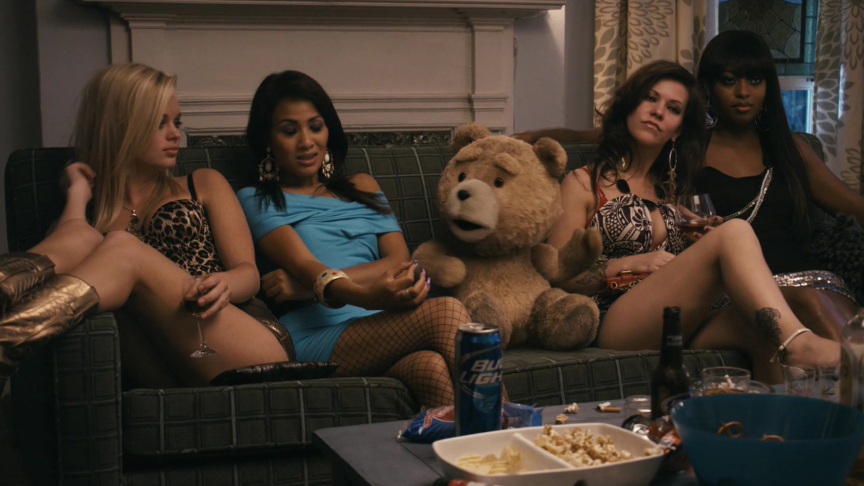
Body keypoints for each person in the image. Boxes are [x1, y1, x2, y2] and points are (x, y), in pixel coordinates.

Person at [0, 63, 292, 390]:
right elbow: (66, 243)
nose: (175, 134)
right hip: (163, 365)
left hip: (243, 341)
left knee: (119, 245)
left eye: (176, 122)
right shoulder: (89, 219)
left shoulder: (202, 182)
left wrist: (225, 284)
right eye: (159, 123)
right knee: (84, 238)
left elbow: (249, 274)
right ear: (120, 127)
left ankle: (6, 338)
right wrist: (78, 195)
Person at [547, 60, 839, 383]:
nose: (658, 112)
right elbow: (558, 273)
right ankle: (801, 344)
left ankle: (777, 414)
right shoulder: (583, 183)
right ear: (630, 104)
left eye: (673, 109)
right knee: (735, 231)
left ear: (678, 130)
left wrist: (699, 246)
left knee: (762, 327)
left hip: (678, 315)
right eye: (650, 98)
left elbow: (678, 272)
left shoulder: (673, 192)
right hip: (613, 317)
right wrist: (630, 263)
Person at [237, 71, 470, 407]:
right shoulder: (257, 199)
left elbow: (400, 263)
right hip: (315, 334)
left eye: (315, 127)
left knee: (430, 368)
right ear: (267, 140)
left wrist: (308, 289)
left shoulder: (363, 186)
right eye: (289, 131)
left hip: (381, 325)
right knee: (447, 310)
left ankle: (473, 442)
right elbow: (307, 266)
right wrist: (366, 296)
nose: (306, 141)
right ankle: (513, 430)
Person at [695, 30, 864, 341]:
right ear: (708, 87)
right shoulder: (688, 151)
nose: (743, 92)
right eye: (729, 81)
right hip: (736, 292)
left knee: (823, 305)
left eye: (755, 80)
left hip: (812, 282)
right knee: (809, 303)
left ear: (768, 87)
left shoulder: (791, 150)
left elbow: (857, 209)